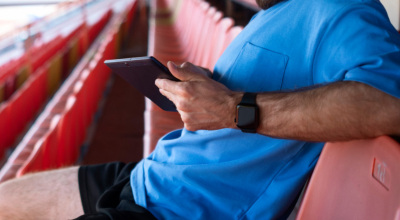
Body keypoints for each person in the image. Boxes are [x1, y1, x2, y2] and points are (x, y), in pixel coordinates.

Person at [1, 0, 400, 219]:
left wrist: (231, 108)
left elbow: (388, 104)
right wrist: (208, 88)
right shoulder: (275, 15)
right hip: (149, 178)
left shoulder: (344, 10)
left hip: (178, 211)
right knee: (5, 200)